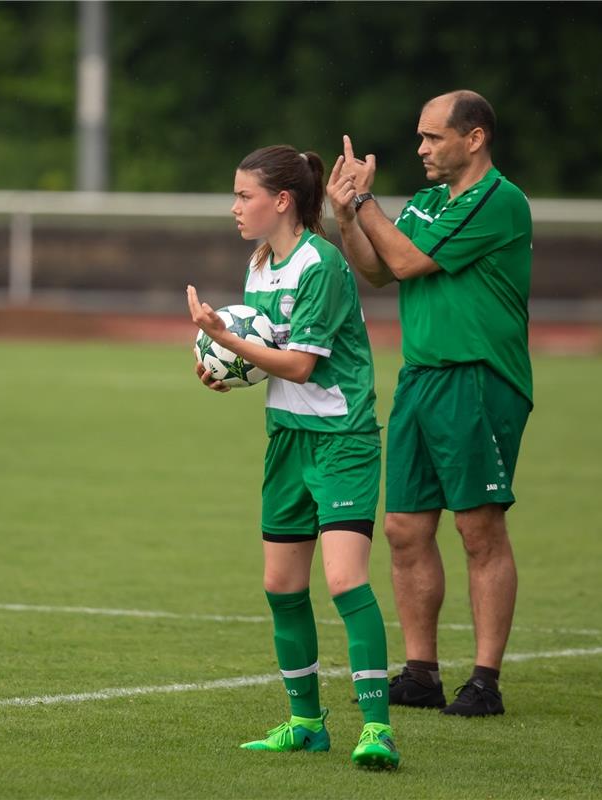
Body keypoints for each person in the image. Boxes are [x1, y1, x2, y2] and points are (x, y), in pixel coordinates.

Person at [186, 144, 399, 769]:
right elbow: (267, 352)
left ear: (281, 200)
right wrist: (223, 368)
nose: (235, 208)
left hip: (342, 439)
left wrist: (226, 339)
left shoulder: (322, 265)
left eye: (244, 195)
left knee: (344, 580)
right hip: (288, 436)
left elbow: (303, 365)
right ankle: (306, 723)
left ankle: (377, 729)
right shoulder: (260, 265)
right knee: (281, 585)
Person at [326, 90, 532, 717]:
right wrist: (344, 216)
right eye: (420, 136)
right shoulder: (422, 204)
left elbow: (411, 260)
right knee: (405, 529)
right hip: (420, 378)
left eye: (432, 137)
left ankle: (486, 681)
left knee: (478, 528)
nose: (420, 149)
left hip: (477, 379)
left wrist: (365, 202)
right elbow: (380, 270)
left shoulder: (498, 200)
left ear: (474, 138)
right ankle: (421, 673)